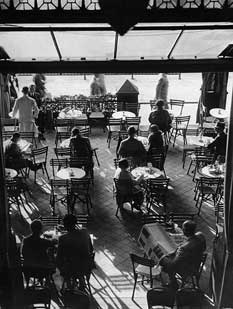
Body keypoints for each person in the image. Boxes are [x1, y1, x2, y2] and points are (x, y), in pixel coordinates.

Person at [159, 220, 206, 289]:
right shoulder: (201, 236)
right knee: (171, 257)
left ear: (185, 231)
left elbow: (173, 264)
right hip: (196, 264)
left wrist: (163, 259)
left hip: (187, 268)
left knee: (165, 263)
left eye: (183, 228)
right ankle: (172, 282)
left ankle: (173, 283)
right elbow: (202, 246)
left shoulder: (184, 248)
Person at [56, 214, 94, 291]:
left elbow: (59, 256)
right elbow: (91, 249)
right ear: (75, 223)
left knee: (61, 261)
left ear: (65, 225)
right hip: (86, 266)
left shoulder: (63, 238)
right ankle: (81, 280)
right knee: (76, 258)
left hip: (72, 269)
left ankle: (68, 283)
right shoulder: (85, 232)